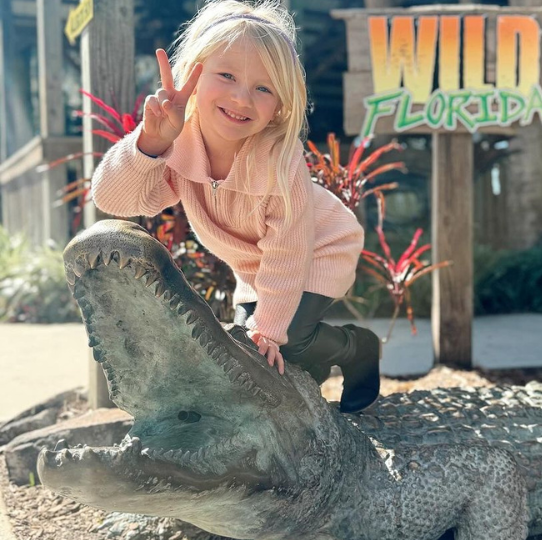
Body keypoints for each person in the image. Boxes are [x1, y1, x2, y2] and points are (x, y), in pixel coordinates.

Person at [91, 0, 381, 413]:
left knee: (287, 338)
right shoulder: (177, 142)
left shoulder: (279, 157)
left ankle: (358, 348)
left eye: (263, 88)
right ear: (193, 73)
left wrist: (271, 329)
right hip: (255, 266)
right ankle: (307, 373)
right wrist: (149, 144)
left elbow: (290, 248)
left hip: (319, 247)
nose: (241, 98)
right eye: (226, 75)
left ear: (281, 104)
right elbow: (114, 200)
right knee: (251, 354)